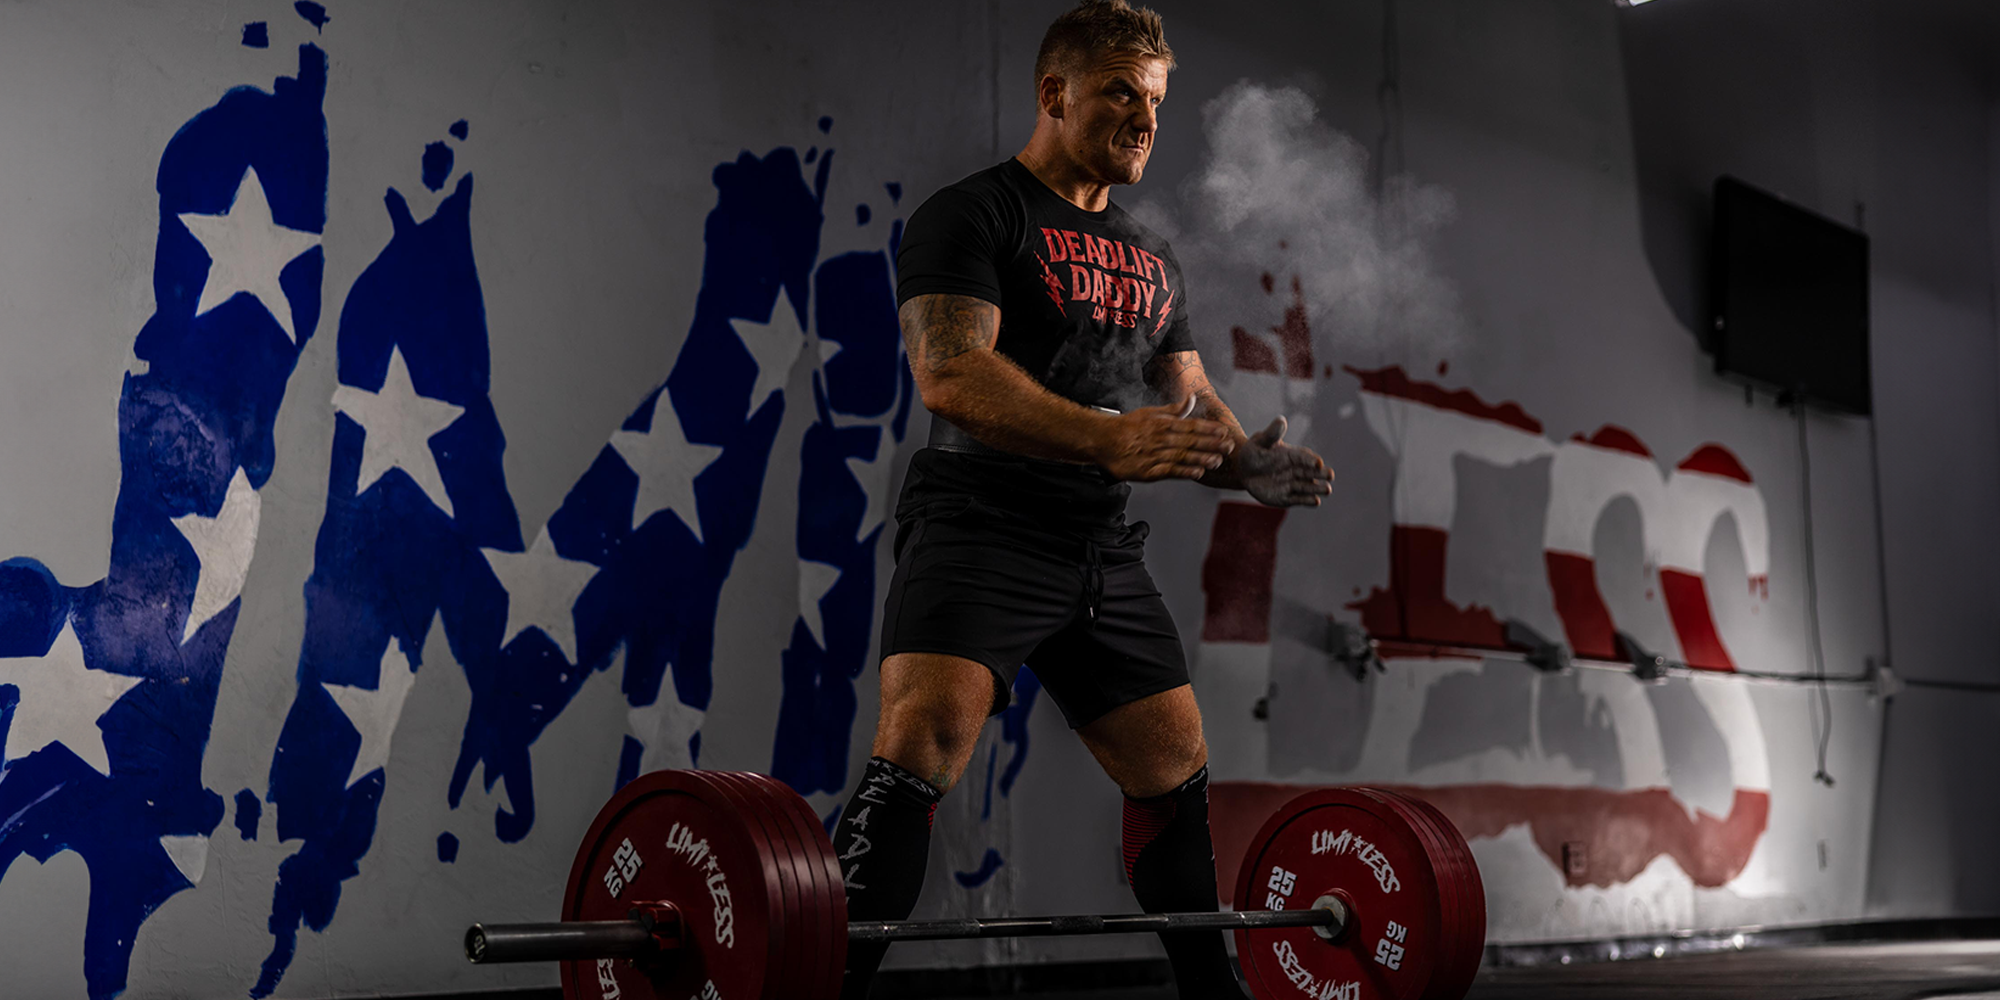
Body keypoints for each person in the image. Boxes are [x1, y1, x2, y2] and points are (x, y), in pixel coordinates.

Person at [831, 1, 1333, 996]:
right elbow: (952, 373)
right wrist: (1110, 438)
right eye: (1120, 93)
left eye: (1155, 101)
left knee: (1173, 766)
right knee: (921, 748)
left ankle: (1214, 994)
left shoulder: (1151, 257)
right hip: (979, 522)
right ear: (1053, 93)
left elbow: (1185, 398)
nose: (1145, 119)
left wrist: (1242, 464)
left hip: (1095, 544)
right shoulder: (974, 214)